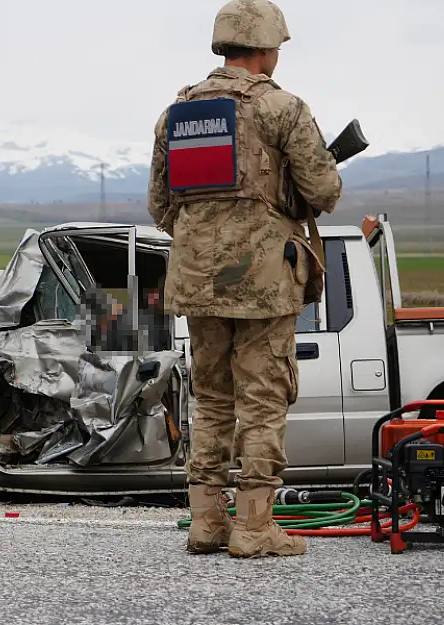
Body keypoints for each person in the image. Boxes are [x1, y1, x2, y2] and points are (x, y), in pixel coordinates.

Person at [146, 0, 342, 558]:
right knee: (261, 400)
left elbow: (162, 208)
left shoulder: (176, 114)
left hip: (196, 280)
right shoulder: (283, 108)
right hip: (262, 281)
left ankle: (206, 522)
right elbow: (324, 192)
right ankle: (255, 529)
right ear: (266, 48)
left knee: (209, 400)